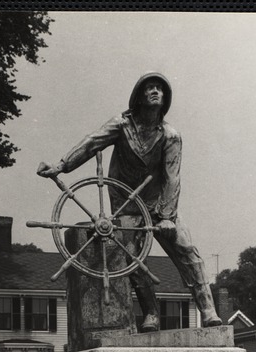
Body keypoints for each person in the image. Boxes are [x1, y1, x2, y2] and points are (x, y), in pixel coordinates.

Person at [37, 72, 222, 331]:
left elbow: (172, 178)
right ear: (139, 96)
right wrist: (62, 165)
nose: (155, 91)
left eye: (160, 88)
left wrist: (167, 216)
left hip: (160, 206)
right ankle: (151, 314)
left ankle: (208, 310)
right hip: (127, 204)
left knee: (188, 250)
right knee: (133, 259)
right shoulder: (121, 125)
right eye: (150, 88)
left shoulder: (171, 135)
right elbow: (92, 143)